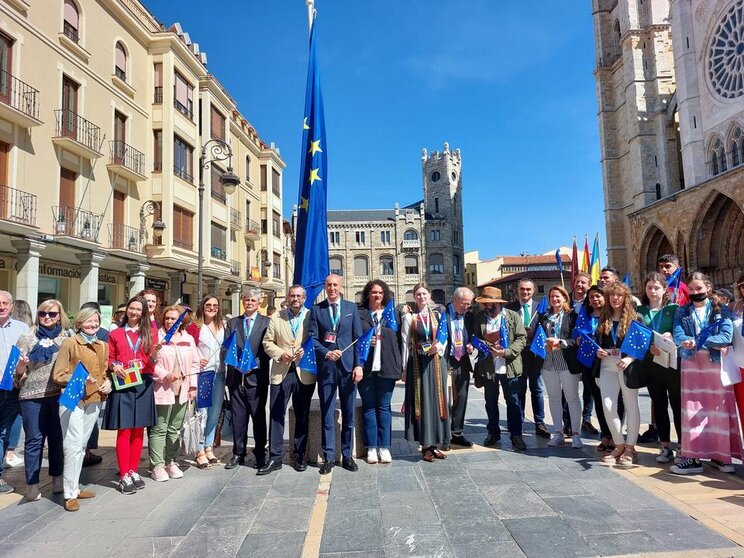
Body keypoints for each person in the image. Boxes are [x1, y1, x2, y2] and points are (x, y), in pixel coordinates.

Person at [671, 271, 740, 475]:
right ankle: (692, 458)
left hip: (715, 365)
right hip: (691, 365)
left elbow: (726, 337)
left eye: (699, 288)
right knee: (692, 410)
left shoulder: (722, 310)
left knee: (718, 411)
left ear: (708, 288)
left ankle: (721, 456)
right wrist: (687, 340)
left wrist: (700, 341)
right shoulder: (682, 311)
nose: (695, 292)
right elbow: (678, 333)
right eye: (691, 289)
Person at [52, 307, 111, 511]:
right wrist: (78, 378)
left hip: (94, 400)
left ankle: (75, 488)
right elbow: (58, 375)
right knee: (72, 446)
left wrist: (108, 384)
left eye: (95, 321)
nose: (93, 324)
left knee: (82, 446)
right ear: (79, 323)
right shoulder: (69, 343)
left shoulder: (103, 345)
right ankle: (69, 494)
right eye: (88, 321)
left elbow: (104, 372)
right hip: (73, 401)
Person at [15, 299, 73, 501]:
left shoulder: (68, 337)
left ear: (60, 316)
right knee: (34, 440)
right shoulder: (26, 337)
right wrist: (22, 366)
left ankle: (57, 478)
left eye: (52, 314)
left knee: (57, 438)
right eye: (42, 314)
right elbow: (16, 373)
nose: (47, 318)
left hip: (58, 394)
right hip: (31, 395)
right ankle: (32, 484)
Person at [103, 295, 159, 494]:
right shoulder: (116, 333)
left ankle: (134, 470)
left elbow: (152, 361)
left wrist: (154, 356)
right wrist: (114, 365)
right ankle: (124, 473)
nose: (134, 312)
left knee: (138, 430)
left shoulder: (151, 333)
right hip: (123, 383)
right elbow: (109, 357)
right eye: (131, 308)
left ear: (144, 313)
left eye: (138, 309)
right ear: (126, 310)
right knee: (124, 430)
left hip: (143, 383)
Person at [308, 274, 363, 474]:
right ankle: (329, 457)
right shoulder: (317, 310)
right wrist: (326, 352)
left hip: (349, 370)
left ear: (341, 286)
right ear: (325, 287)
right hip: (327, 370)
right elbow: (312, 339)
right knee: (328, 414)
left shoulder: (351, 308)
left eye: (335, 285)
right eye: (329, 285)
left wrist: (359, 365)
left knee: (348, 415)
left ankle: (347, 456)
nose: (332, 288)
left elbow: (358, 339)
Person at [261, 285, 316, 474]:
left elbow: (316, 339)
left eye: (299, 296)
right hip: (281, 371)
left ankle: (299, 455)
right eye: (292, 295)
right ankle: (275, 457)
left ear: (304, 298)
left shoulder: (311, 315)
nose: (295, 299)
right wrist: (279, 353)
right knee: (276, 414)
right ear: (287, 297)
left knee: (302, 414)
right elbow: (267, 342)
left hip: (303, 372)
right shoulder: (277, 317)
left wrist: (307, 349)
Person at [473, 287, 527, 450]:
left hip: (509, 365)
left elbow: (521, 338)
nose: (486, 306)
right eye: (484, 304)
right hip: (488, 366)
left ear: (497, 303)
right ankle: (493, 432)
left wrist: (506, 352)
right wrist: (484, 346)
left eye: (489, 303)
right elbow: (476, 337)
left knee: (513, 401)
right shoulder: (480, 317)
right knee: (490, 401)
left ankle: (516, 435)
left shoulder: (512, 316)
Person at [222, 288, 270, 471]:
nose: (249, 303)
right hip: (236, 378)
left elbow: (268, 349)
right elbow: (225, 348)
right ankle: (238, 453)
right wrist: (235, 364)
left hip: (256, 378)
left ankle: (259, 452)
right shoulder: (233, 323)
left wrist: (253, 363)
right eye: (246, 300)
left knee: (258, 417)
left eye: (252, 300)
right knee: (238, 418)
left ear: (258, 303)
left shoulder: (266, 323)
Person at [401, 282, 450, 462]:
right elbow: (405, 344)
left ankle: (436, 443)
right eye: (418, 294)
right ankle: (425, 445)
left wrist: (438, 346)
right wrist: (404, 369)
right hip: (418, 364)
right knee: (421, 402)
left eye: (424, 294)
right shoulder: (409, 318)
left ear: (429, 295)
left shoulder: (438, 315)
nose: (421, 297)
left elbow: (446, 337)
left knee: (437, 402)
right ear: (414, 297)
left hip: (436, 363)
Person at [594, 282, 642, 467]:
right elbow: (600, 340)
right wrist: (599, 352)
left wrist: (630, 359)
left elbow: (641, 345)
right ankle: (619, 443)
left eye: (619, 295)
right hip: (607, 364)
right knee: (607, 405)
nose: (615, 298)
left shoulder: (635, 318)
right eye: (612, 295)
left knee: (631, 405)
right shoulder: (603, 317)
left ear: (625, 298)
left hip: (627, 365)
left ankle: (630, 447)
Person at [150, 305, 198, 481]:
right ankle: (157, 465)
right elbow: (151, 361)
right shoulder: (157, 337)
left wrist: (193, 386)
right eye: (167, 318)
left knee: (174, 428)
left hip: (182, 389)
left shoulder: (188, 339)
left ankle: (171, 461)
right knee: (160, 428)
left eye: (174, 319)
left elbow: (194, 364)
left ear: (181, 321)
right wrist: (164, 375)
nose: (170, 322)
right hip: (163, 388)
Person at [636, 272, 680, 464]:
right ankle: (664, 446)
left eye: (656, 288)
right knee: (660, 406)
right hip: (652, 364)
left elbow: (682, 333)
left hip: (672, 364)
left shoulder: (674, 309)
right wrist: (649, 349)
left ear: (664, 289)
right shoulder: (639, 311)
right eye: (649, 288)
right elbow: (636, 337)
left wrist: (673, 336)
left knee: (678, 406)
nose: (653, 291)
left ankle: (684, 447)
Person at [357, 280, 402, 464]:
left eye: (380, 293)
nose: (377, 295)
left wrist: (401, 367)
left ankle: (384, 447)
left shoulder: (393, 314)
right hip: (365, 368)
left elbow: (401, 342)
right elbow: (353, 338)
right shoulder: (359, 314)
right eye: (374, 292)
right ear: (368, 294)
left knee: (383, 407)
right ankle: (371, 448)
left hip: (387, 367)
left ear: (385, 295)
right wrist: (367, 343)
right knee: (369, 407)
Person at [536, 286, 582, 449]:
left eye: (558, 296)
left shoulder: (572, 316)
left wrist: (561, 343)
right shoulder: (544, 316)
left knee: (572, 398)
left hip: (566, 361)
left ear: (564, 298)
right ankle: (558, 433)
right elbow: (538, 337)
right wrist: (543, 345)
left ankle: (576, 434)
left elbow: (576, 339)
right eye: (552, 296)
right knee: (554, 398)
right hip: (549, 363)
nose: (555, 299)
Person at [506, 278, 549, 439]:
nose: (525, 292)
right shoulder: (509, 308)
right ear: (517, 290)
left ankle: (540, 423)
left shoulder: (541, 309)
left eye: (528, 290)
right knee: (520, 388)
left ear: (534, 291)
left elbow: (545, 329)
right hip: (517, 354)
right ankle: (520, 421)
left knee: (537, 389)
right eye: (522, 289)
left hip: (535, 353)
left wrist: (534, 333)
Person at [187, 294, 225, 468]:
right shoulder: (195, 326)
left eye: (215, 305)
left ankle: (209, 446)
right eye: (208, 305)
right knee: (202, 413)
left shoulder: (221, 324)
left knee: (215, 411)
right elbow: (188, 347)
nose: (212, 308)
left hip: (220, 372)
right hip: (204, 373)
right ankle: (199, 449)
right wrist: (196, 359)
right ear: (202, 306)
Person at [574, 286, 613, 451]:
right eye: (591, 298)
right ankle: (605, 436)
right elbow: (577, 335)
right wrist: (577, 340)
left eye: (598, 296)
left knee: (611, 401)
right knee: (598, 399)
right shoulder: (585, 317)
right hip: (589, 365)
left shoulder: (611, 316)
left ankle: (616, 437)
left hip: (609, 364)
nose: (595, 300)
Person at [0, 290, 29, 494]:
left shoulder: (22, 328)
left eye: (5, 303)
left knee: (3, 433)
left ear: (11, 306)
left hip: (11, 389)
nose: (1, 306)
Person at [441, 287, 476, 449]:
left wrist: (470, 345)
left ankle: (457, 433)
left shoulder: (469, 316)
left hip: (462, 361)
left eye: (469, 303)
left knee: (461, 398)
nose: (467, 306)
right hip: (445, 361)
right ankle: (443, 434)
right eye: (464, 303)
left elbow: (472, 336)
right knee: (446, 400)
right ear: (455, 300)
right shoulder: (441, 314)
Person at [78, 301, 108, 468]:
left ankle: (86, 452)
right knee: (89, 421)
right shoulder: (103, 333)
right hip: (86, 385)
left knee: (89, 420)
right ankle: (85, 452)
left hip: (93, 385)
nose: (91, 323)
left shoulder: (102, 336)